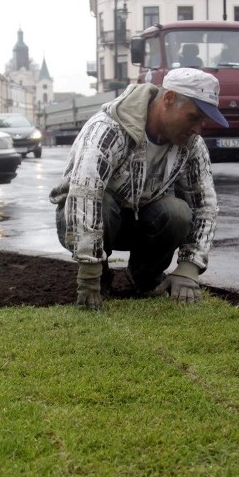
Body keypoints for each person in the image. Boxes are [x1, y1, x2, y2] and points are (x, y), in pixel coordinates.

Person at [49, 67, 227, 311]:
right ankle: (100, 275)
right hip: (84, 218)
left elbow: (204, 205)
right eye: (194, 117)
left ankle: (146, 279)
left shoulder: (191, 145)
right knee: (101, 204)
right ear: (169, 99)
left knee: (177, 212)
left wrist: (190, 267)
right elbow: (84, 194)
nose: (198, 129)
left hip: (141, 222)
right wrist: (89, 273)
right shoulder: (109, 128)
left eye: (203, 121)